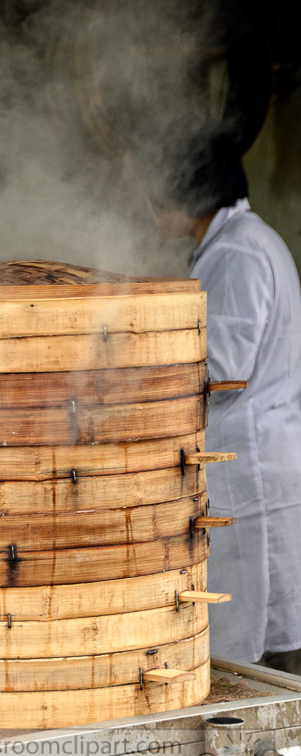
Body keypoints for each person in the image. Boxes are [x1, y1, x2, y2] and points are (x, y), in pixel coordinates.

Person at [151, 123, 301, 667]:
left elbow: (226, 367)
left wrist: (144, 372)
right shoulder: (243, 241)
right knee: (268, 632)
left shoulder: (238, 252)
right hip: (262, 458)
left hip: (252, 465)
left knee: (255, 646)